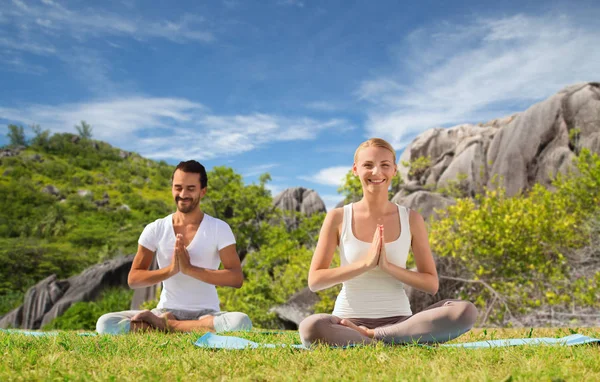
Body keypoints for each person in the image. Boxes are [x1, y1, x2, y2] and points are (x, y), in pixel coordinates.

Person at [298, 138, 477, 347]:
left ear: (394, 170)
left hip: (400, 322)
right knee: (311, 327)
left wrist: (387, 267)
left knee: (465, 311)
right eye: (368, 165)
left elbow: (431, 284)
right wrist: (365, 264)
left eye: (384, 165)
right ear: (355, 170)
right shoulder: (338, 217)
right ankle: (392, 341)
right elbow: (315, 281)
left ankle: (374, 337)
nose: (376, 172)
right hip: (346, 323)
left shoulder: (411, 219)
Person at [96, 160, 252, 334]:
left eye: (190, 189)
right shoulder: (156, 228)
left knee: (241, 322)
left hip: (207, 314)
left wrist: (190, 269)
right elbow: (134, 279)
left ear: (203, 192)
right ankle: (185, 327)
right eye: (178, 187)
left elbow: (236, 278)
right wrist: (171, 269)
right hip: (166, 311)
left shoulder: (219, 228)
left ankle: (166, 326)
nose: (183, 194)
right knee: (105, 324)